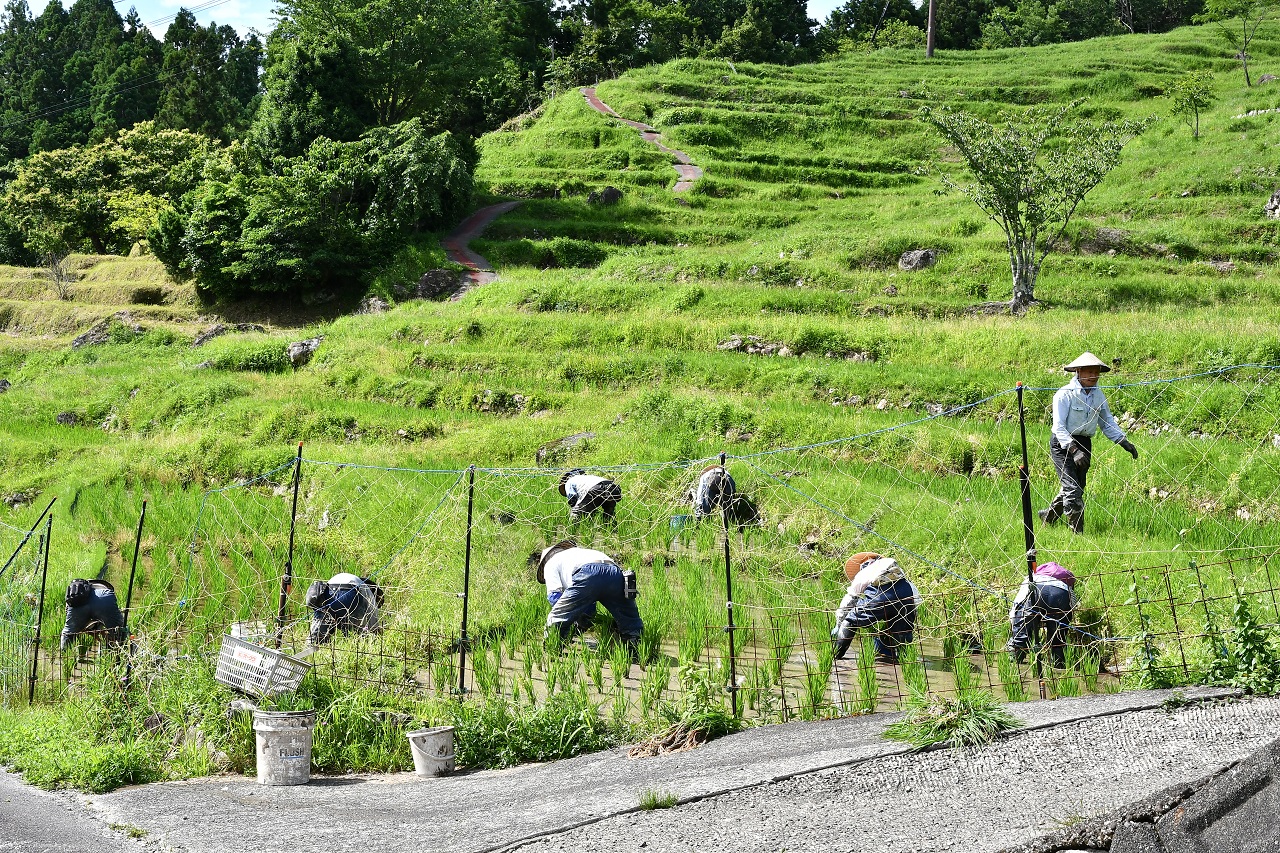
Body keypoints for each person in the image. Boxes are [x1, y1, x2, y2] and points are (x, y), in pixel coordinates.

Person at [1039, 352, 1139, 535]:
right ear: (1078, 372)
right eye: (1089, 371)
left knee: (1077, 487)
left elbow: (1107, 422)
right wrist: (1073, 450)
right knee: (1071, 488)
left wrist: (1123, 441)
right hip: (1063, 444)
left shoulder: (1098, 396)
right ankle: (1077, 535)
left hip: (1084, 442)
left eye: (1096, 372)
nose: (1093, 376)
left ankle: (1048, 516)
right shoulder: (1064, 395)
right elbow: (1058, 427)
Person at [530, 540, 642, 655]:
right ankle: (635, 649)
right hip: (615, 572)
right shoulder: (580, 553)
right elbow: (588, 600)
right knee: (629, 617)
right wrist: (585, 616)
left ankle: (551, 647)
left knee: (558, 616)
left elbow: (554, 596)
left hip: (588, 573)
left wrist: (571, 617)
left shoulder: (551, 563)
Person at [830, 552, 922, 665]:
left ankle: (835, 657)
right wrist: (908, 616)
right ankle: (904, 661)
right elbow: (916, 598)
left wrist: (840, 623)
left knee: (851, 621)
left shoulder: (867, 570)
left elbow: (850, 598)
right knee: (902, 631)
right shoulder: (897, 571)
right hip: (906, 596)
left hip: (880, 595)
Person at [1006, 562, 1078, 667]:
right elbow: (1071, 606)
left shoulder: (1031, 579)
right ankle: (1058, 665)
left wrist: (1015, 623)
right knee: (1058, 640)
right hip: (1061, 593)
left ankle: (1014, 664)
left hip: (1035, 590)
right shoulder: (1067, 582)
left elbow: (1018, 605)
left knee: (1021, 636)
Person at [305, 572, 382, 645]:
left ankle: (309, 650)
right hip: (350, 594)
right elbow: (373, 627)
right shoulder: (371, 596)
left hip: (328, 593)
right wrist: (377, 635)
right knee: (359, 634)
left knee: (317, 636)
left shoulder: (357, 581)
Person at [60, 578, 126, 650]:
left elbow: (72, 618)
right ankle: (120, 650)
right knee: (119, 630)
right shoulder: (104, 589)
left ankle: (64, 653)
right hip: (104, 599)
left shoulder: (76, 593)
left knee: (68, 633)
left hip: (77, 603)